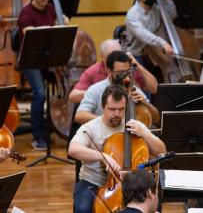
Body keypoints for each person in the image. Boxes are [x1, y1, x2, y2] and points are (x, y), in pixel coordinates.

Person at [69, 84, 166, 213]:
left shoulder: (134, 126)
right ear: (103, 107)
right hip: (92, 182)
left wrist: (145, 134)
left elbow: (162, 152)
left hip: (131, 185)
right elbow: (73, 149)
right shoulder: (91, 127)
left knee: (155, 206)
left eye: (121, 109)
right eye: (112, 109)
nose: (117, 114)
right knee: (83, 209)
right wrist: (104, 156)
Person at [17, 0, 68, 150]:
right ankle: (37, 136)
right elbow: (33, 37)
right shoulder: (26, 14)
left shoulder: (51, 9)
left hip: (47, 58)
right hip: (30, 60)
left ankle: (56, 128)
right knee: (39, 93)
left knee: (56, 88)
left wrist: (63, 24)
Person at [75, 50, 160, 125]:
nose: (125, 76)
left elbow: (157, 119)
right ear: (109, 71)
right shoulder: (95, 89)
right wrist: (107, 120)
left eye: (127, 72)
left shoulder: (133, 89)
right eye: (120, 72)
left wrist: (146, 104)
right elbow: (79, 115)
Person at [68, 39, 158, 104]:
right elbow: (73, 96)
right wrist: (102, 91)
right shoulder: (92, 71)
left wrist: (137, 65)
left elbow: (154, 89)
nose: (115, 61)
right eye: (110, 56)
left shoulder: (128, 67)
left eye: (118, 55)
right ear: (102, 56)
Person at [125, 0, 176, 67]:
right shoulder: (132, 14)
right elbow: (143, 35)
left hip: (155, 52)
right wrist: (163, 43)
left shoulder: (155, 8)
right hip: (137, 55)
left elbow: (172, 15)